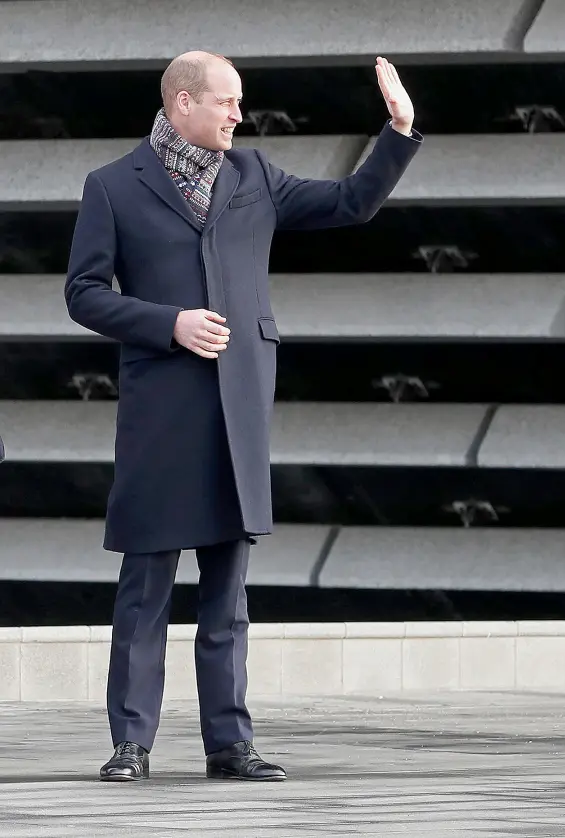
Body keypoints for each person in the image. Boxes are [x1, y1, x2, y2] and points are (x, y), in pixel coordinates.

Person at [64, 50, 422, 781]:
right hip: (161, 410)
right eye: (226, 101)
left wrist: (398, 130)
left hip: (239, 408)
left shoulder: (254, 174)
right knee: (146, 585)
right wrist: (168, 323)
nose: (238, 114)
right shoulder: (112, 185)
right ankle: (131, 744)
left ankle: (229, 745)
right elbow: (84, 292)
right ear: (183, 103)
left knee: (228, 590)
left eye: (238, 102)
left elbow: (351, 202)